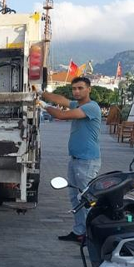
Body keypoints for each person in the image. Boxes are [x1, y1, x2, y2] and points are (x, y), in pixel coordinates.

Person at [41, 77, 102, 244]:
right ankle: (79, 231)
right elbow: (62, 100)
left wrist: (43, 106)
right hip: (76, 160)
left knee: (87, 199)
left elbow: (62, 114)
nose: (76, 91)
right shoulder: (78, 105)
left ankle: (90, 236)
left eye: (80, 88)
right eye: (74, 88)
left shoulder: (91, 107)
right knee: (75, 198)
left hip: (87, 161)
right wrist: (42, 92)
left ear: (89, 89)